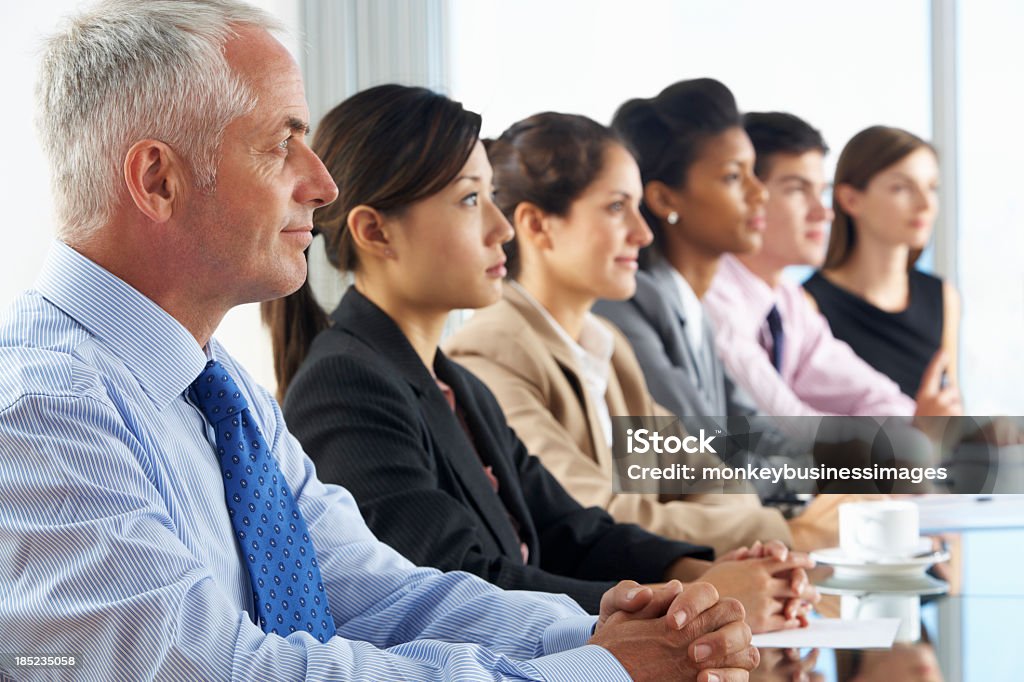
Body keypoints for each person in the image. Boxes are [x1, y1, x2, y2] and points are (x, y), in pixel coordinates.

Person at [0, 2, 759, 680]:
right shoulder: (41, 410)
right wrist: (619, 652)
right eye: (281, 143)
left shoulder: (221, 390)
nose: (322, 185)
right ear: (159, 180)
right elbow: (215, 670)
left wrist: (630, 624)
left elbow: (378, 592)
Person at [266, 89, 814, 633]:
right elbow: (459, 584)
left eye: (491, 197)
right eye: (469, 200)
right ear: (375, 231)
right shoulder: (348, 382)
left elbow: (570, 530)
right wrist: (684, 600)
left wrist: (703, 572)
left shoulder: (454, 383)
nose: (500, 229)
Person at [441, 109, 828, 559]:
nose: (643, 233)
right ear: (537, 225)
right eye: (616, 207)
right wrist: (780, 530)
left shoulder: (606, 345)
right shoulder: (491, 352)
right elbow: (592, 516)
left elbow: (709, 475)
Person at [703, 112, 962, 421]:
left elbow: (875, 395)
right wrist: (913, 439)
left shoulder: (787, 302)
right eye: (797, 189)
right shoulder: (719, 299)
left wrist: (916, 433)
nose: (823, 212)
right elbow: (787, 426)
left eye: (821, 192)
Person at [803, 126, 961, 401]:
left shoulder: (943, 297)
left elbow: (948, 413)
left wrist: (984, 429)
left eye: (931, 188)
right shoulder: (808, 306)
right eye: (901, 188)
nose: (926, 204)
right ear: (851, 199)